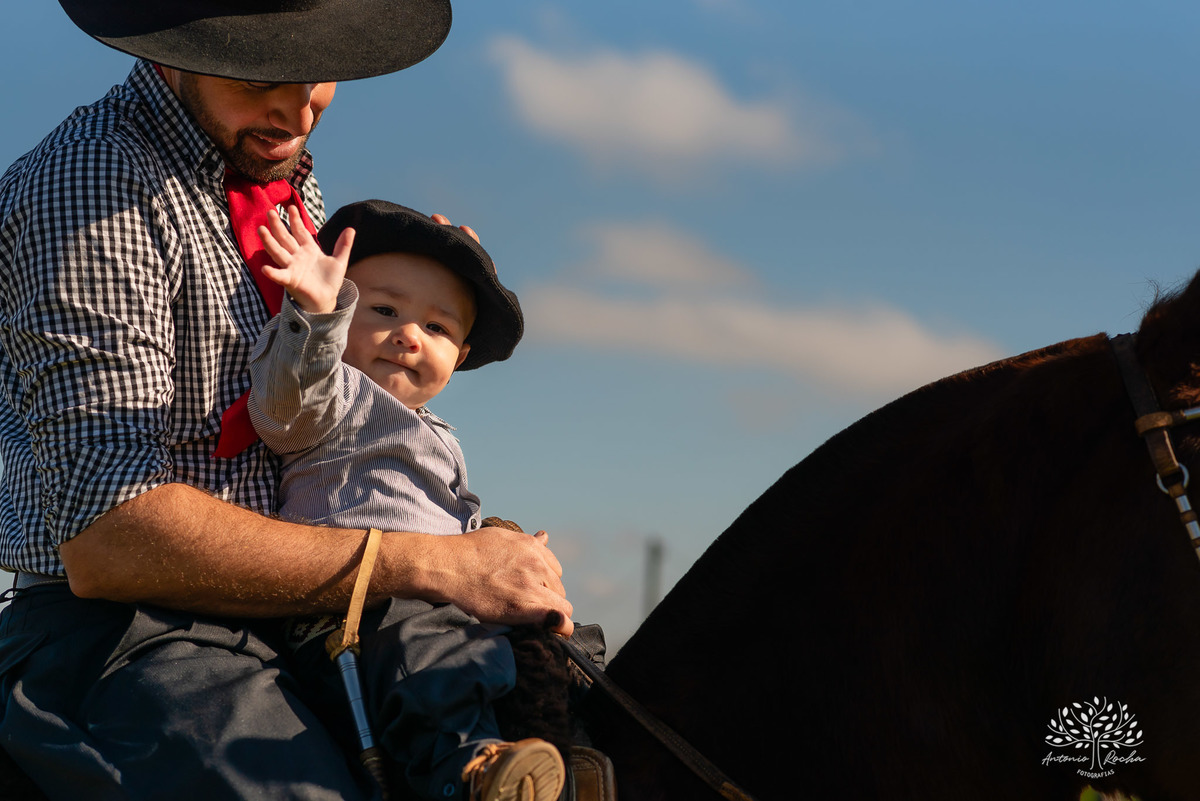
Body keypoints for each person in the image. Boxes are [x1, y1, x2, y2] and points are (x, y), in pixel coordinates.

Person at [0, 2, 573, 799]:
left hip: (287, 615)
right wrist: (437, 562)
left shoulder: (286, 183)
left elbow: (322, 419)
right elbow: (110, 536)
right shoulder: (93, 181)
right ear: (177, 46)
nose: (299, 107)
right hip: (124, 634)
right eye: (267, 73)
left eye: (320, 72)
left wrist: (428, 277)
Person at [247, 198, 565, 801]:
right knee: (431, 655)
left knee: (558, 649)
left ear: (461, 357)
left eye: (438, 328)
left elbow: (440, 520)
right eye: (384, 309)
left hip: (437, 593)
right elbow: (285, 405)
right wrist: (315, 315)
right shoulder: (334, 397)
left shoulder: (437, 433)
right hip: (353, 610)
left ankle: (561, 752)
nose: (408, 336)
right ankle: (465, 772)